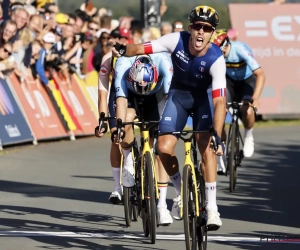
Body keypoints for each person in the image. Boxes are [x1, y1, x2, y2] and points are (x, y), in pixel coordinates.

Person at [110, 5, 226, 231]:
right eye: (196, 26)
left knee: (207, 147)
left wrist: (218, 135)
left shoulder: (216, 59)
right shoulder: (176, 40)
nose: (200, 32)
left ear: (213, 33)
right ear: (190, 29)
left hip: (203, 100)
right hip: (178, 97)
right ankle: (181, 188)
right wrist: (123, 49)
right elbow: (142, 48)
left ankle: (212, 209)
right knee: (163, 147)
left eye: (206, 28)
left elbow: (220, 101)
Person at [113, 53, 174, 226]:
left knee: (162, 145)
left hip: (157, 95)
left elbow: (171, 100)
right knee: (125, 122)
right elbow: (121, 102)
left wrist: (168, 126)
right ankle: (129, 160)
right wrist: (120, 128)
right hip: (130, 94)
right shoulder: (123, 66)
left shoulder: (164, 64)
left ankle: (162, 206)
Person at [211, 30, 265, 174]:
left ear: (226, 44)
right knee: (219, 112)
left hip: (247, 81)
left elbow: (260, 74)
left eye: (219, 49)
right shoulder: (216, 54)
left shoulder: (239, 50)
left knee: (246, 110)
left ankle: (248, 136)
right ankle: (221, 156)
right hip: (229, 82)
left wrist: (256, 98)